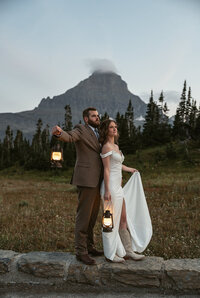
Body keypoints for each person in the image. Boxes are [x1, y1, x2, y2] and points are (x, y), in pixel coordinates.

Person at [52, 107, 103, 265]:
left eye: (98, 115)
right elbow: (70, 136)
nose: (97, 118)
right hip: (86, 179)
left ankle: (90, 246)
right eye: (94, 116)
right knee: (84, 216)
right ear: (86, 119)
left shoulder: (99, 133)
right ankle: (81, 252)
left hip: (98, 180)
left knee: (93, 216)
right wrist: (60, 133)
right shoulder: (81, 129)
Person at [99, 119, 152, 263]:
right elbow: (107, 169)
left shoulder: (116, 146)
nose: (114, 129)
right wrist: (107, 191)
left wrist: (130, 169)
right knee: (110, 221)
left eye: (115, 127)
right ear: (106, 130)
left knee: (123, 220)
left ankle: (128, 251)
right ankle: (110, 254)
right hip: (110, 189)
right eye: (111, 127)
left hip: (118, 188)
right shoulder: (106, 147)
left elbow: (118, 164)